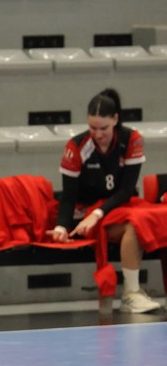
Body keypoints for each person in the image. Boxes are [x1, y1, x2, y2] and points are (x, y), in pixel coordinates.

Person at [47, 87, 162, 313]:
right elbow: (68, 197)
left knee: (154, 218)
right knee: (134, 227)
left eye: (104, 128)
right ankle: (131, 294)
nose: (98, 134)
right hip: (85, 215)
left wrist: (99, 213)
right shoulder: (76, 147)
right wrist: (61, 227)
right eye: (92, 127)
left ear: (115, 120)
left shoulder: (131, 140)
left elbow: (127, 190)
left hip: (117, 207)